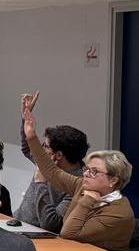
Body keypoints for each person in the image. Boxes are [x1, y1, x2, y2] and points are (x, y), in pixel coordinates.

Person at [23, 97, 134, 251]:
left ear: (113, 180)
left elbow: (68, 233)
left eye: (94, 171)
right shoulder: (82, 185)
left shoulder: (118, 213)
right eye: (87, 169)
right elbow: (52, 172)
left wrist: (87, 199)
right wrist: (31, 136)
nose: (86, 174)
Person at [15, 91, 88, 232]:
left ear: (59, 155)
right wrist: (26, 117)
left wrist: (40, 182)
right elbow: (27, 148)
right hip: (18, 223)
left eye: (46, 146)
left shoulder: (78, 184)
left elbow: (51, 224)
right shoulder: (48, 161)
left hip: (38, 236)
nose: (41, 149)